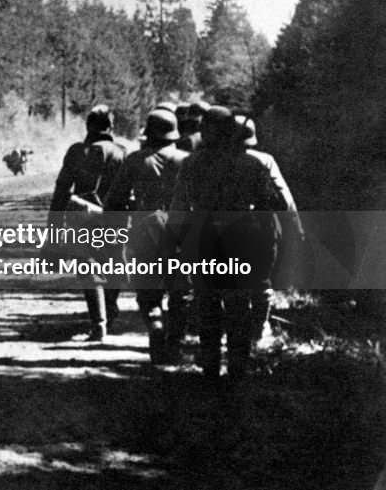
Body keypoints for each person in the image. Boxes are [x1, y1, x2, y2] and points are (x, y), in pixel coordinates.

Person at [166, 106, 290, 381]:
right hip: (242, 242)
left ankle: (210, 367)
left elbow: (178, 210)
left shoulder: (192, 164)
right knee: (238, 305)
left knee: (207, 304)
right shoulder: (253, 164)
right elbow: (278, 204)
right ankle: (237, 368)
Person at [105, 106, 190, 364]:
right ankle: (175, 345)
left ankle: (155, 325)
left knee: (148, 291)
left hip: (145, 231)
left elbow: (113, 203)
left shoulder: (134, 160)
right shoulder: (187, 160)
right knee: (181, 291)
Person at [49, 104, 126, 342]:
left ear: (88, 126)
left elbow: (61, 190)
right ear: (110, 127)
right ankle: (110, 310)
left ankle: (98, 323)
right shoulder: (121, 151)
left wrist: (54, 229)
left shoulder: (75, 152)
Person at [234, 115, 304, 347]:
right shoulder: (265, 160)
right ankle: (258, 331)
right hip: (262, 229)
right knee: (262, 282)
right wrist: (296, 226)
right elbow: (284, 199)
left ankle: (237, 334)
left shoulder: (216, 161)